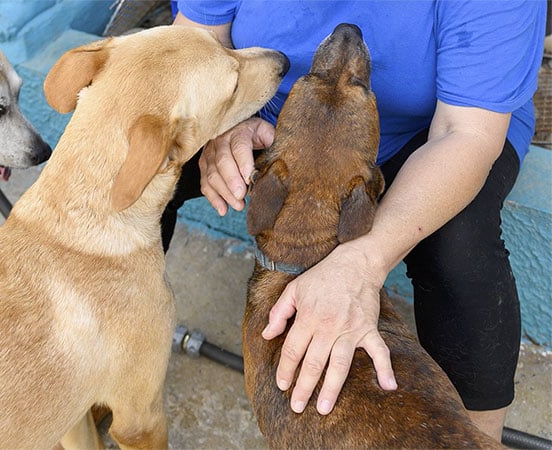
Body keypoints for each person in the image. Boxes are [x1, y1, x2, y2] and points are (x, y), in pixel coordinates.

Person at [163, 0, 546, 441]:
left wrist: (363, 262)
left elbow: (466, 135)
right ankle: (100, 368)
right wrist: (223, 121)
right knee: (129, 165)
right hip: (267, 117)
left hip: (438, 128)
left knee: (459, 244)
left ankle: (475, 435)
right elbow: (197, 41)